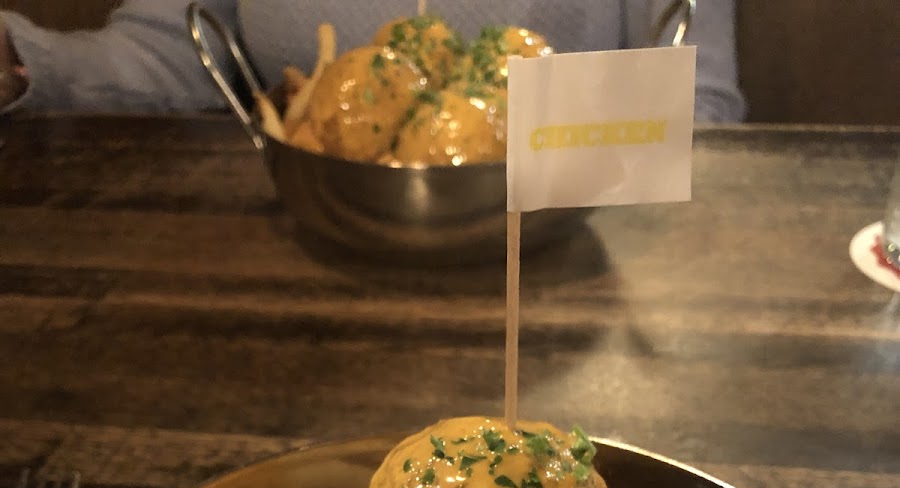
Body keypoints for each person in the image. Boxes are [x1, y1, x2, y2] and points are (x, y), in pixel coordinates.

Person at [0, 1, 744, 121]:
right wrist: (27, 61)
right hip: (309, 263)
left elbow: (697, 102)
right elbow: (173, 49)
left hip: (579, 276)